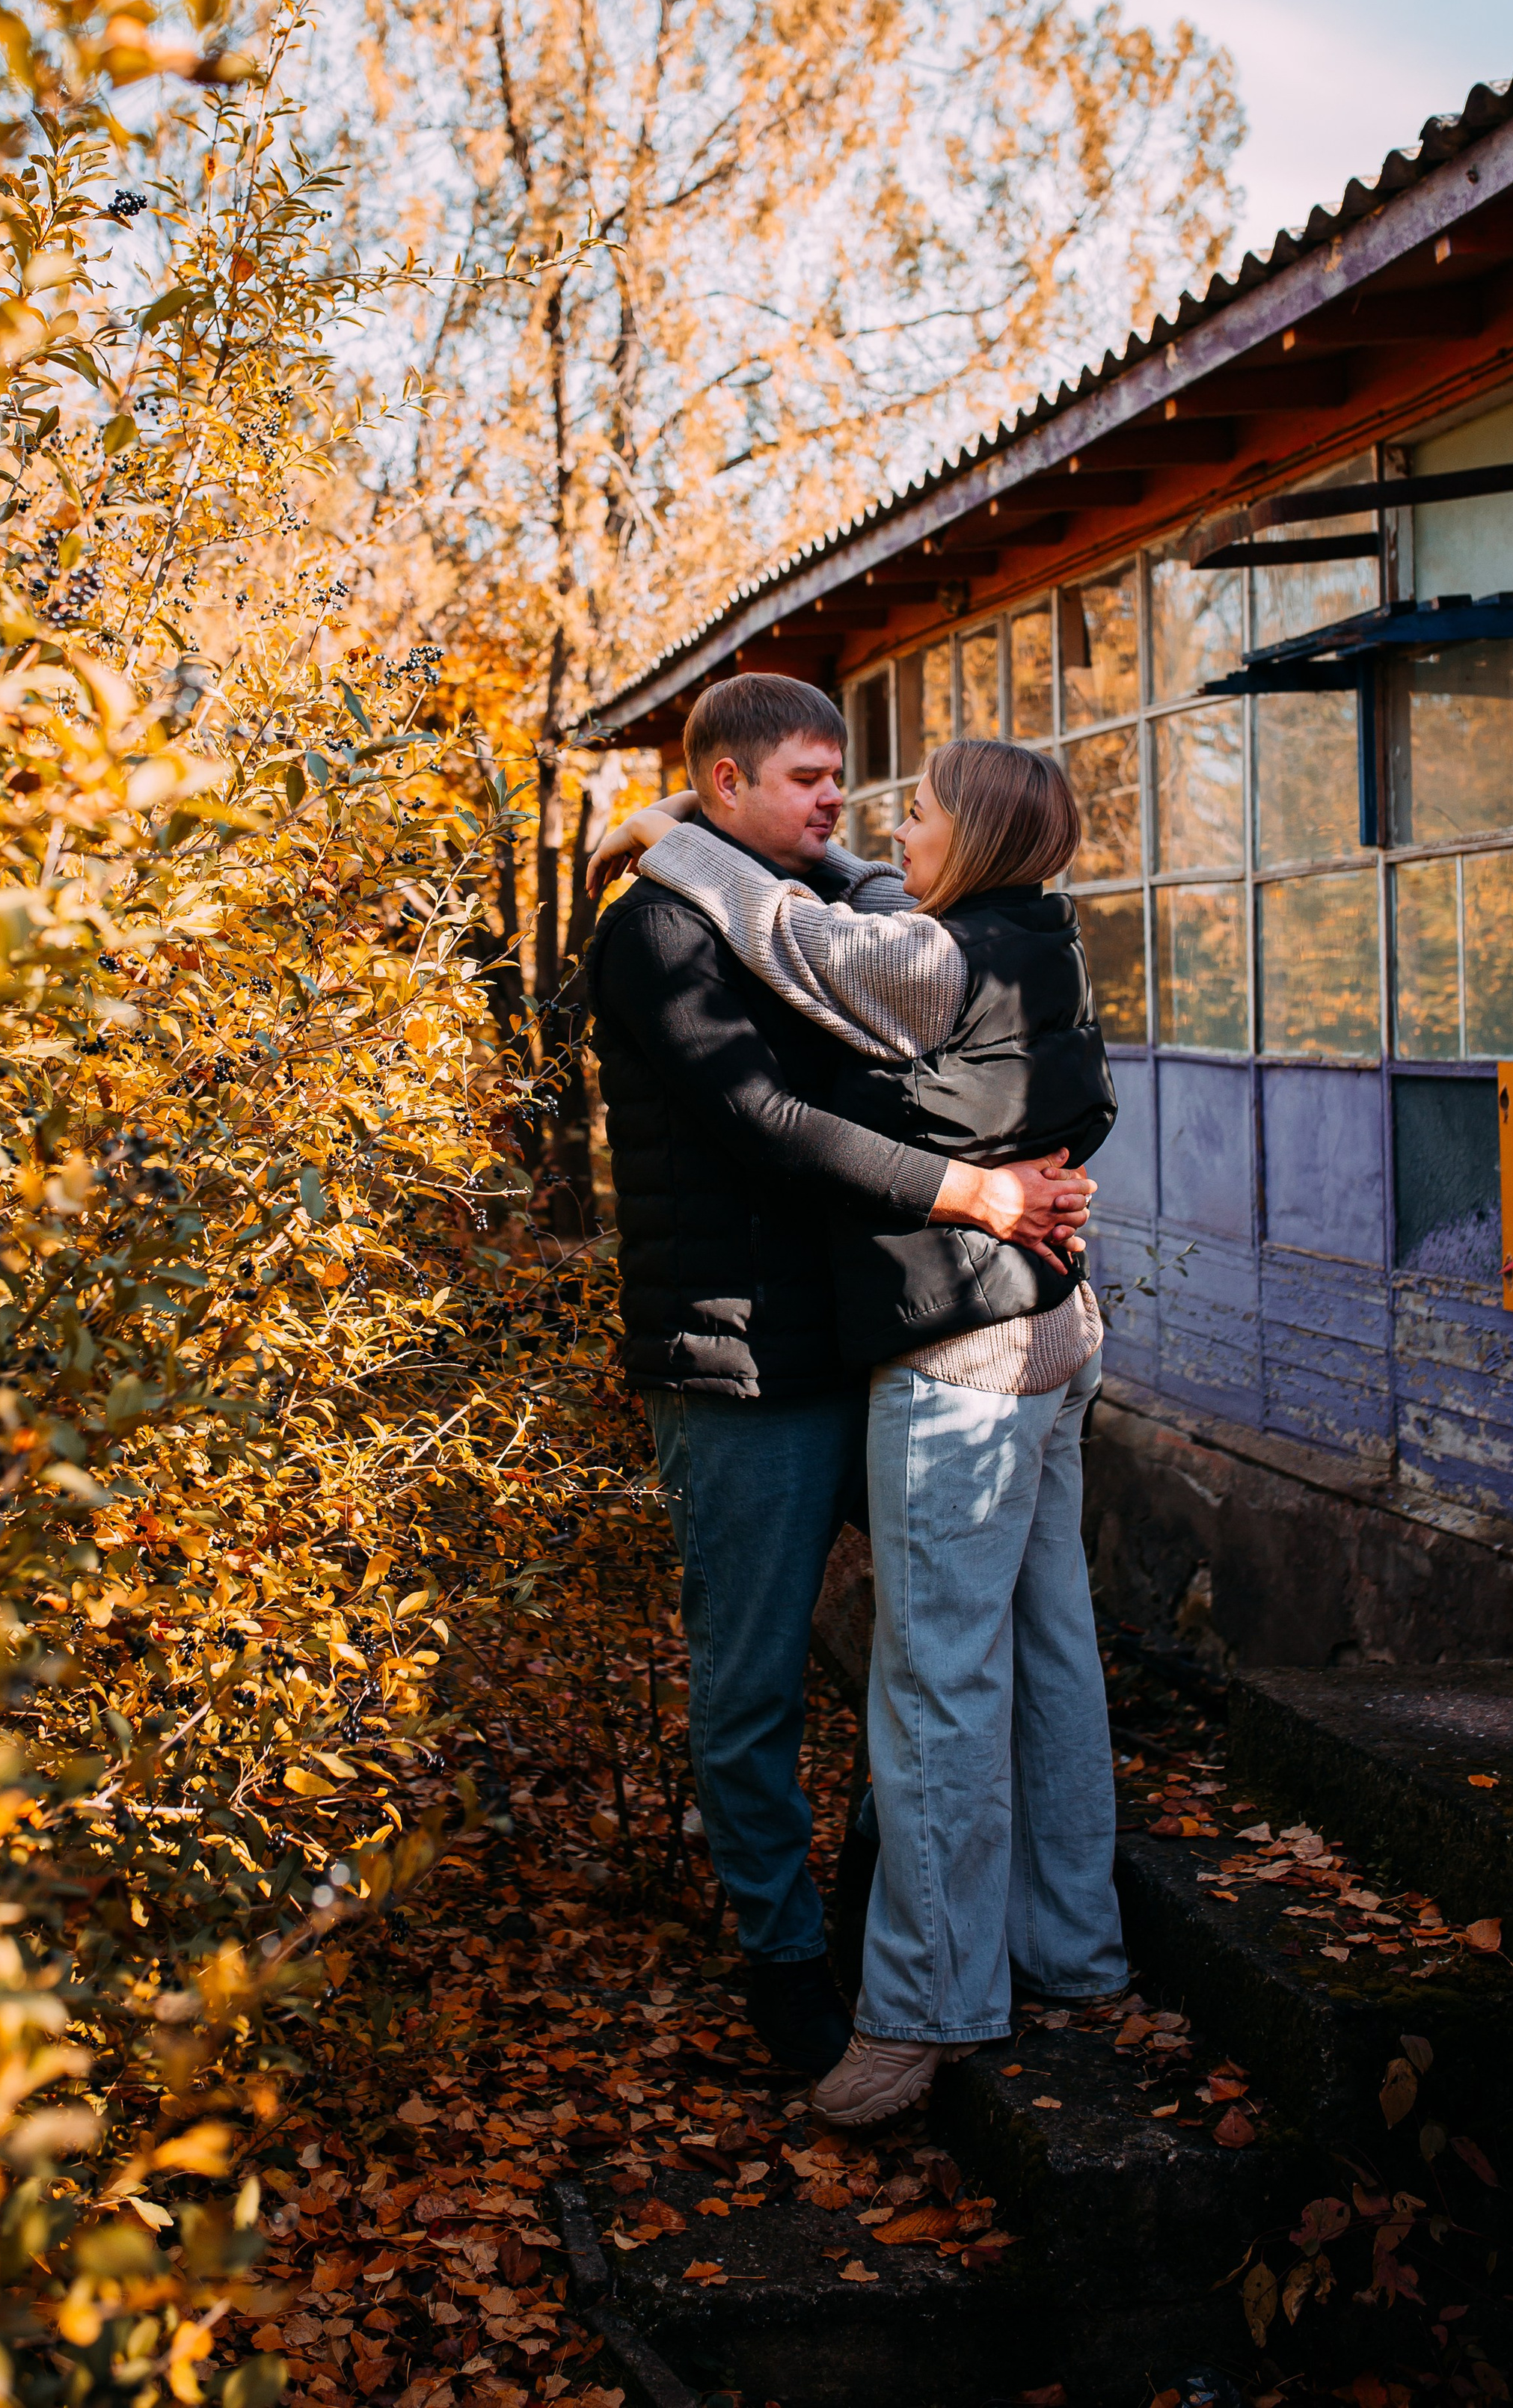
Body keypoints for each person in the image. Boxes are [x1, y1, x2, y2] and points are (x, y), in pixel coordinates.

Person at [587, 734, 1127, 2126]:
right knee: (1043, 1652)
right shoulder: (1030, 936)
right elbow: (866, 937)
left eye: (914, 807)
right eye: (816, 783)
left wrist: (658, 829)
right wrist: (1010, 1182)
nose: (875, 821)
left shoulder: (925, 956)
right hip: (1046, 1327)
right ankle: (1073, 1950)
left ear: (983, 838)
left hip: (963, 1344)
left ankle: (926, 2007)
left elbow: (793, 930)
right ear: (733, 779)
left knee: (938, 1684)